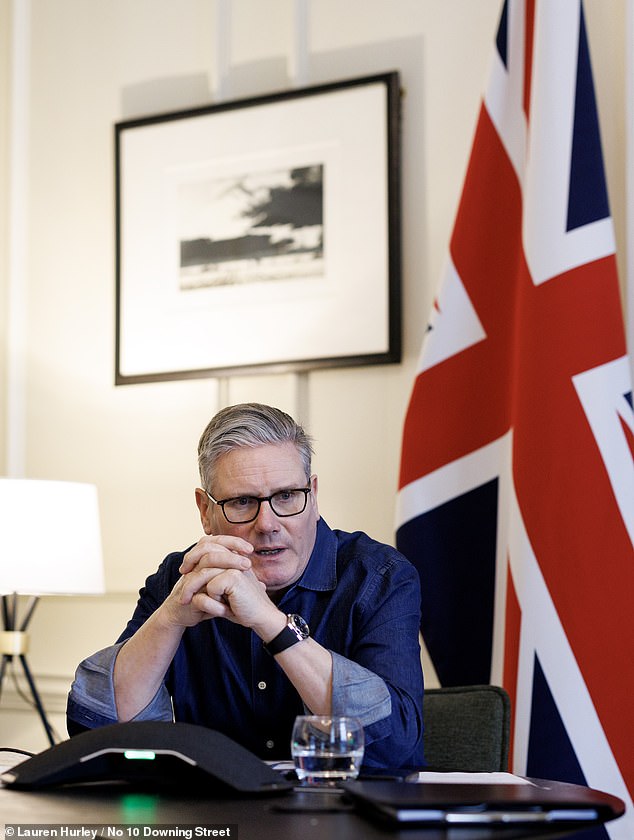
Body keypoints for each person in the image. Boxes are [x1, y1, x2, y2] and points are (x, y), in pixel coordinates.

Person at [67, 403, 425, 769]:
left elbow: (393, 746)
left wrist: (271, 623)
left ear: (313, 496)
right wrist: (170, 618)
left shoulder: (380, 577)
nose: (267, 524)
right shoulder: (182, 578)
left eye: (286, 496)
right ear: (205, 511)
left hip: (346, 803)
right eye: (242, 502)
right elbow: (101, 736)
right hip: (215, 805)